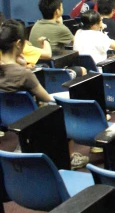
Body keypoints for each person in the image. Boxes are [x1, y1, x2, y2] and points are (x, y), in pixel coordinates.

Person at [0, 19, 90, 169]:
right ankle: (67, 159)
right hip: (34, 119)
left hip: (9, 119)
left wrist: (22, 65)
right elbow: (46, 98)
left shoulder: (12, 71)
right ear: (18, 44)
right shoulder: (24, 74)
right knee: (62, 106)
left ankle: (22, 146)